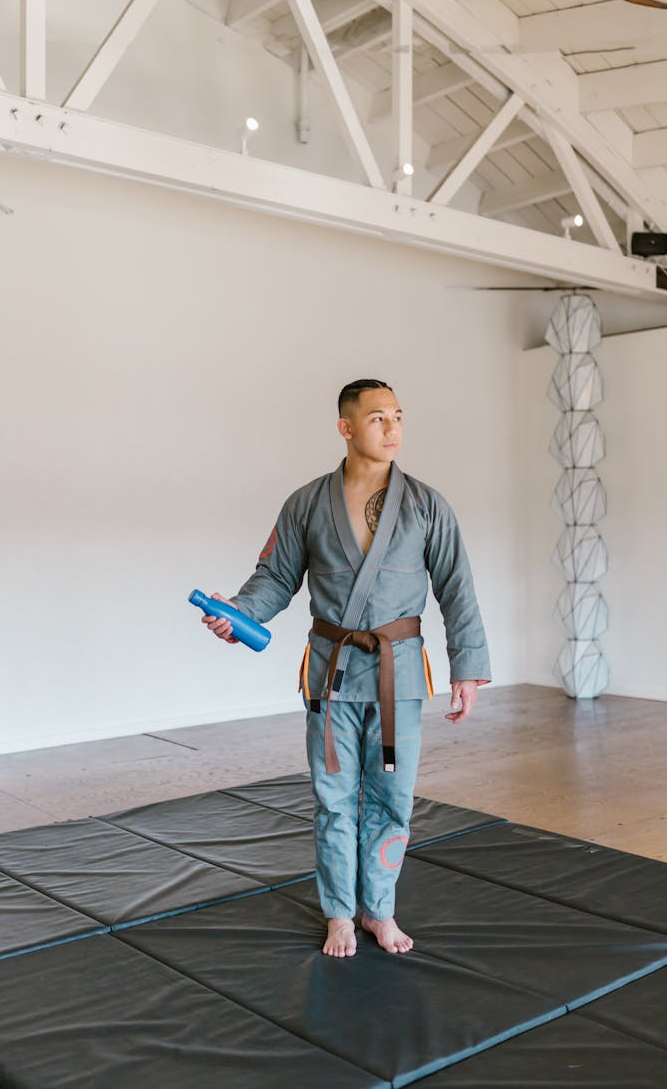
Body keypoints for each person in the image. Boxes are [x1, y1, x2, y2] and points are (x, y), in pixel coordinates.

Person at [201, 379, 490, 959]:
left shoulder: (427, 504)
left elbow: (457, 588)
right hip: (331, 673)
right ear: (347, 427)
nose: (392, 429)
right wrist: (238, 614)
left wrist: (468, 668)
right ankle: (338, 912)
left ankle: (379, 910)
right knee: (333, 798)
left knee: (392, 799)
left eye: (399, 417)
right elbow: (275, 579)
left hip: (398, 673)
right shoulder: (306, 502)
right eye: (379, 418)